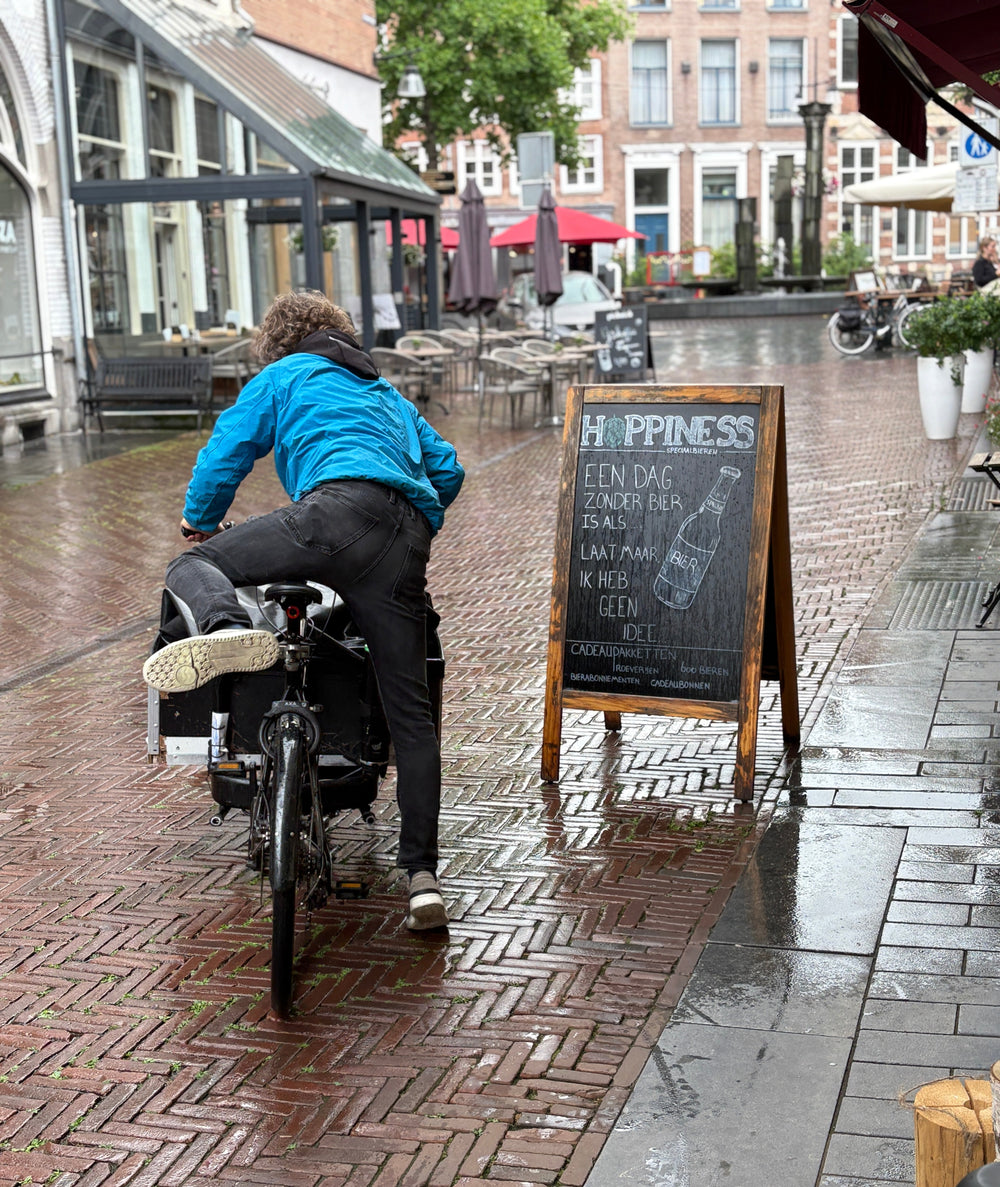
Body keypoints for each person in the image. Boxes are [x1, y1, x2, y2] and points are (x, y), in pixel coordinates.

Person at [142, 291, 464, 931]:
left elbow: (228, 448)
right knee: (410, 716)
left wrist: (199, 521)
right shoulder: (388, 396)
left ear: (278, 345)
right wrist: (407, 515)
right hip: (404, 543)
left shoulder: (284, 374)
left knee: (193, 568)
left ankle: (229, 629)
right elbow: (448, 471)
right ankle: (422, 877)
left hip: (332, 513)